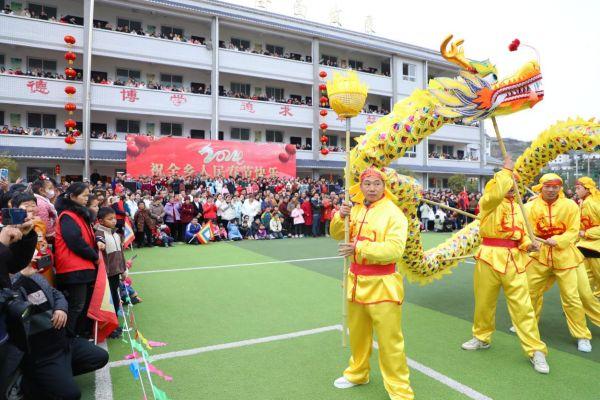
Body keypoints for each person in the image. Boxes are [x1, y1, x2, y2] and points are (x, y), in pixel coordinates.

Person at [330, 166, 414, 399]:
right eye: (367, 184)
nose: (372, 188)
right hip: (355, 282)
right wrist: (341, 216)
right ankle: (358, 373)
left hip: (383, 284)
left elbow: (394, 250)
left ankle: (400, 390)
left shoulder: (394, 213)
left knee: (390, 341)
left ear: (384, 186)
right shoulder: (355, 209)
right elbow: (337, 234)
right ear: (361, 186)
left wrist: (359, 246)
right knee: (358, 335)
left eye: (377, 184)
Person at [460, 158, 549, 373]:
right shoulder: (488, 202)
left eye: (514, 184)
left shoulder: (521, 209)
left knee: (523, 307)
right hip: (488, 257)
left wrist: (529, 245)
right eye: (509, 183)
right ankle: (481, 337)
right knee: (484, 302)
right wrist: (506, 171)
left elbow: (523, 236)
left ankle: (536, 350)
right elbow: (497, 192)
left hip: (515, 261)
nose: (511, 187)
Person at [6, 265, 109, 400]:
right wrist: (20, 275)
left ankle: (58, 377)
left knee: (100, 357)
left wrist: (61, 308)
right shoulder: (11, 281)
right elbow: (6, 298)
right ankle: (28, 383)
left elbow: (56, 294)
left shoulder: (35, 275)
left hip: (63, 343)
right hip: (41, 355)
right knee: (71, 395)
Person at [525, 173, 593, 352]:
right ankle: (527, 326)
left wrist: (560, 239)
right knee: (530, 293)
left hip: (565, 257)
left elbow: (573, 230)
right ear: (541, 187)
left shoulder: (570, 205)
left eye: (555, 186)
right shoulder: (529, 207)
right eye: (548, 186)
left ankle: (582, 335)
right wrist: (531, 242)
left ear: (560, 187)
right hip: (539, 257)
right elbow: (526, 230)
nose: (551, 189)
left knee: (572, 298)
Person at [54, 182, 99, 338]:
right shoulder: (67, 215)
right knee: (76, 306)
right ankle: (67, 339)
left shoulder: (78, 215)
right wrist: (94, 255)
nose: (87, 198)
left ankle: (75, 336)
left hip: (81, 267)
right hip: (73, 268)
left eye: (88, 195)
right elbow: (75, 241)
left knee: (81, 305)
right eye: (84, 195)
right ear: (72, 196)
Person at [95, 207, 127, 338]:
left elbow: (121, 254)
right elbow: (99, 242)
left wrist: (123, 270)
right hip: (107, 274)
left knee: (114, 297)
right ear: (101, 221)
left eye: (114, 218)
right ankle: (108, 328)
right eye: (110, 219)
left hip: (116, 272)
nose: (114, 221)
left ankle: (112, 325)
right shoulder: (99, 233)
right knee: (108, 301)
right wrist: (99, 242)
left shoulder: (116, 234)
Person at [575, 177, 600, 297]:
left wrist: (586, 233)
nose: (576, 191)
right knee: (585, 278)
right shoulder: (584, 202)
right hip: (585, 246)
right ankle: (586, 302)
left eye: (578, 188)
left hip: (596, 248)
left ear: (588, 189)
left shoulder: (593, 203)